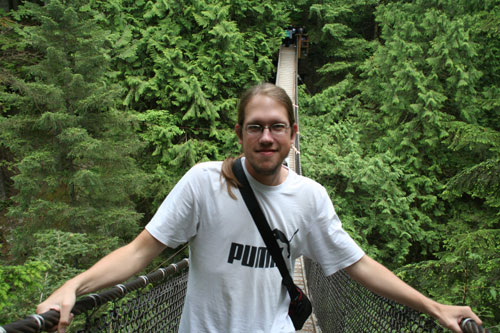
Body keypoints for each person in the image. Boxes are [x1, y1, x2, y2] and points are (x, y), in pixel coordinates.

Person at [37, 83, 482, 333]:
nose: (266, 137)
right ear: (240, 133)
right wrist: (74, 286)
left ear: (293, 134)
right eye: (255, 127)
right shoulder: (203, 183)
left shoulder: (310, 197)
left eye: (277, 127)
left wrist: (432, 306)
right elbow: (140, 252)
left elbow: (358, 265)